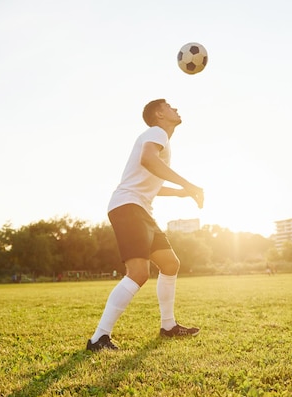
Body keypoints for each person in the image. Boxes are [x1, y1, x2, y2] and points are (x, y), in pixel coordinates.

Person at [86, 99, 204, 351]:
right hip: (128, 206)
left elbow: (153, 182)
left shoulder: (161, 139)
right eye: (171, 106)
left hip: (140, 209)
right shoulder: (156, 132)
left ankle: (168, 326)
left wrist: (182, 193)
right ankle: (99, 338)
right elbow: (148, 161)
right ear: (159, 114)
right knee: (139, 273)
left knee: (170, 264)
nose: (177, 109)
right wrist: (189, 184)